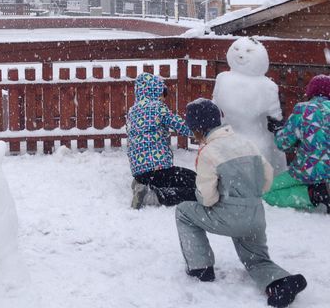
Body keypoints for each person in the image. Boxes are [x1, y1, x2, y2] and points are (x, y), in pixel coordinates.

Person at [175, 98, 306, 308]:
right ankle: (280, 283)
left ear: (199, 129)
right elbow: (267, 178)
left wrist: (208, 197)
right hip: (255, 216)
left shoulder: (209, 151)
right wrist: (247, 197)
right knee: (256, 260)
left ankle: (201, 268)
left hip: (229, 218)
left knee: (183, 212)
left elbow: (208, 199)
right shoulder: (246, 143)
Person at [126, 72, 196, 209]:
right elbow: (179, 125)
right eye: (162, 95)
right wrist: (198, 132)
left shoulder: (132, 111)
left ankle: (141, 183)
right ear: (154, 91)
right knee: (193, 182)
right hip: (159, 169)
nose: (163, 99)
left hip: (138, 170)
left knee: (161, 178)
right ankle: (153, 196)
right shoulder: (158, 108)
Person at [263, 74, 330, 213]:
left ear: (311, 92)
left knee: (266, 191)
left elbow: (283, 143)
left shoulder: (304, 110)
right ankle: (323, 190)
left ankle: (312, 195)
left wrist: (278, 129)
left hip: (306, 172)